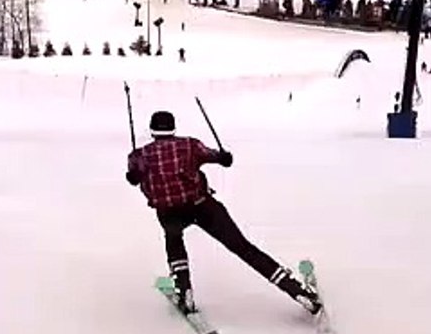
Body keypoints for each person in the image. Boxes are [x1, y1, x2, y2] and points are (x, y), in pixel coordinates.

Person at [126, 110, 322, 317]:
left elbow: (133, 177)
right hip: (202, 206)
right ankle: (296, 290)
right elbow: (219, 158)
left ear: (152, 130)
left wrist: (134, 175)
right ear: (173, 128)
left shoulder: (140, 155)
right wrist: (224, 157)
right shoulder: (189, 145)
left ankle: (184, 291)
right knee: (242, 247)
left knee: (174, 241)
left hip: (168, 212)